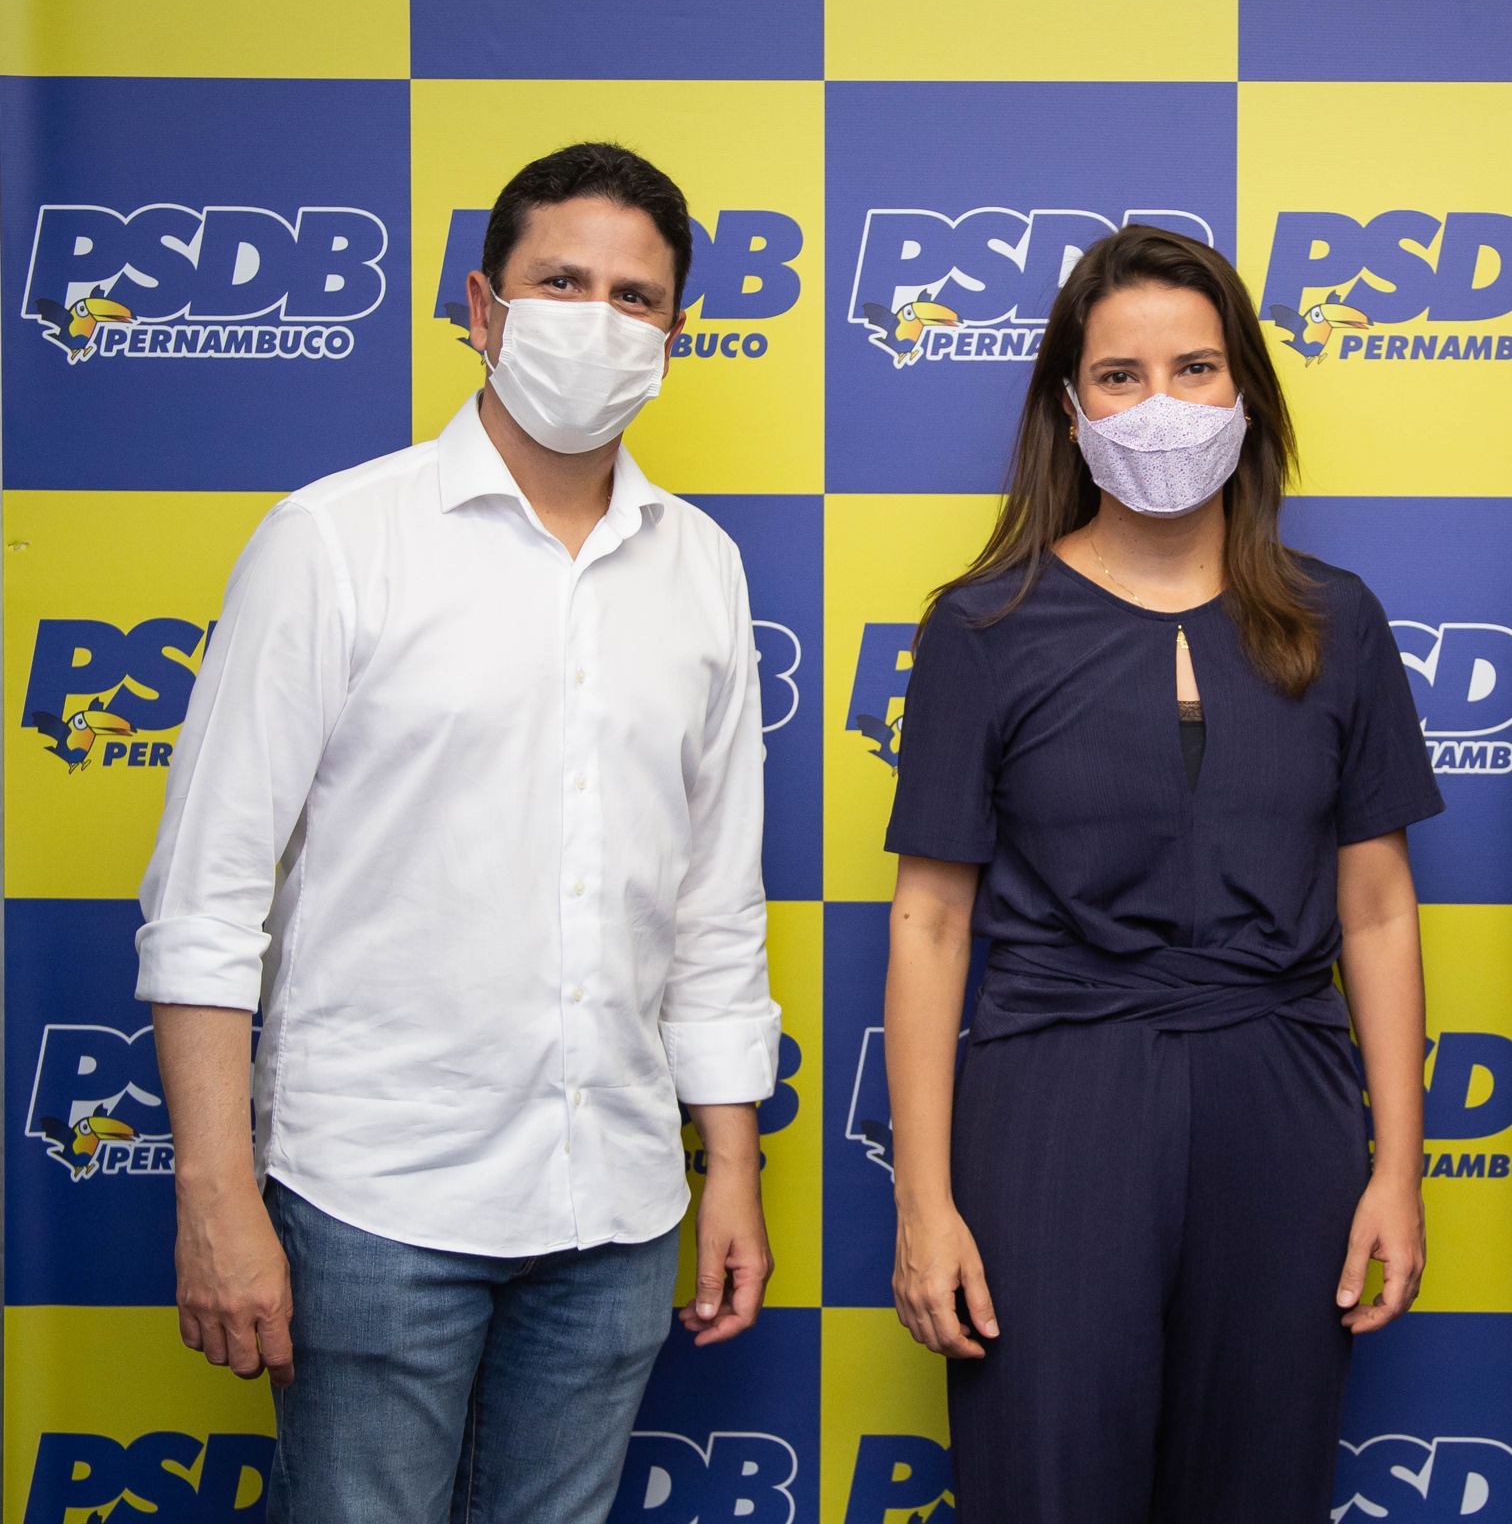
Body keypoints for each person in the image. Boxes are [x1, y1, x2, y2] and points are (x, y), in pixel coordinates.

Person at [135, 141, 782, 1524]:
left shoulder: (703, 569)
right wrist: (215, 1194)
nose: (598, 320)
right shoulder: (332, 541)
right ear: (483, 309)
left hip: (615, 1209)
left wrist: (729, 1164)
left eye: (635, 296)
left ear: (674, 335)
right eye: (562, 283)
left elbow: (716, 907)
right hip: (373, 1200)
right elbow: (205, 899)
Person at [882, 225, 1442, 1524]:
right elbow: (930, 923)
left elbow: (1375, 910)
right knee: (1048, 1479)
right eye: (1121, 376)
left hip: (1283, 1107)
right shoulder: (982, 626)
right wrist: (925, 1204)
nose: (1162, 405)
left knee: (1260, 1479)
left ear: (1246, 389)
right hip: (1053, 1104)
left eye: (1194, 368)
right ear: (1070, 408)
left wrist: (1398, 1170)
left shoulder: (1338, 620)